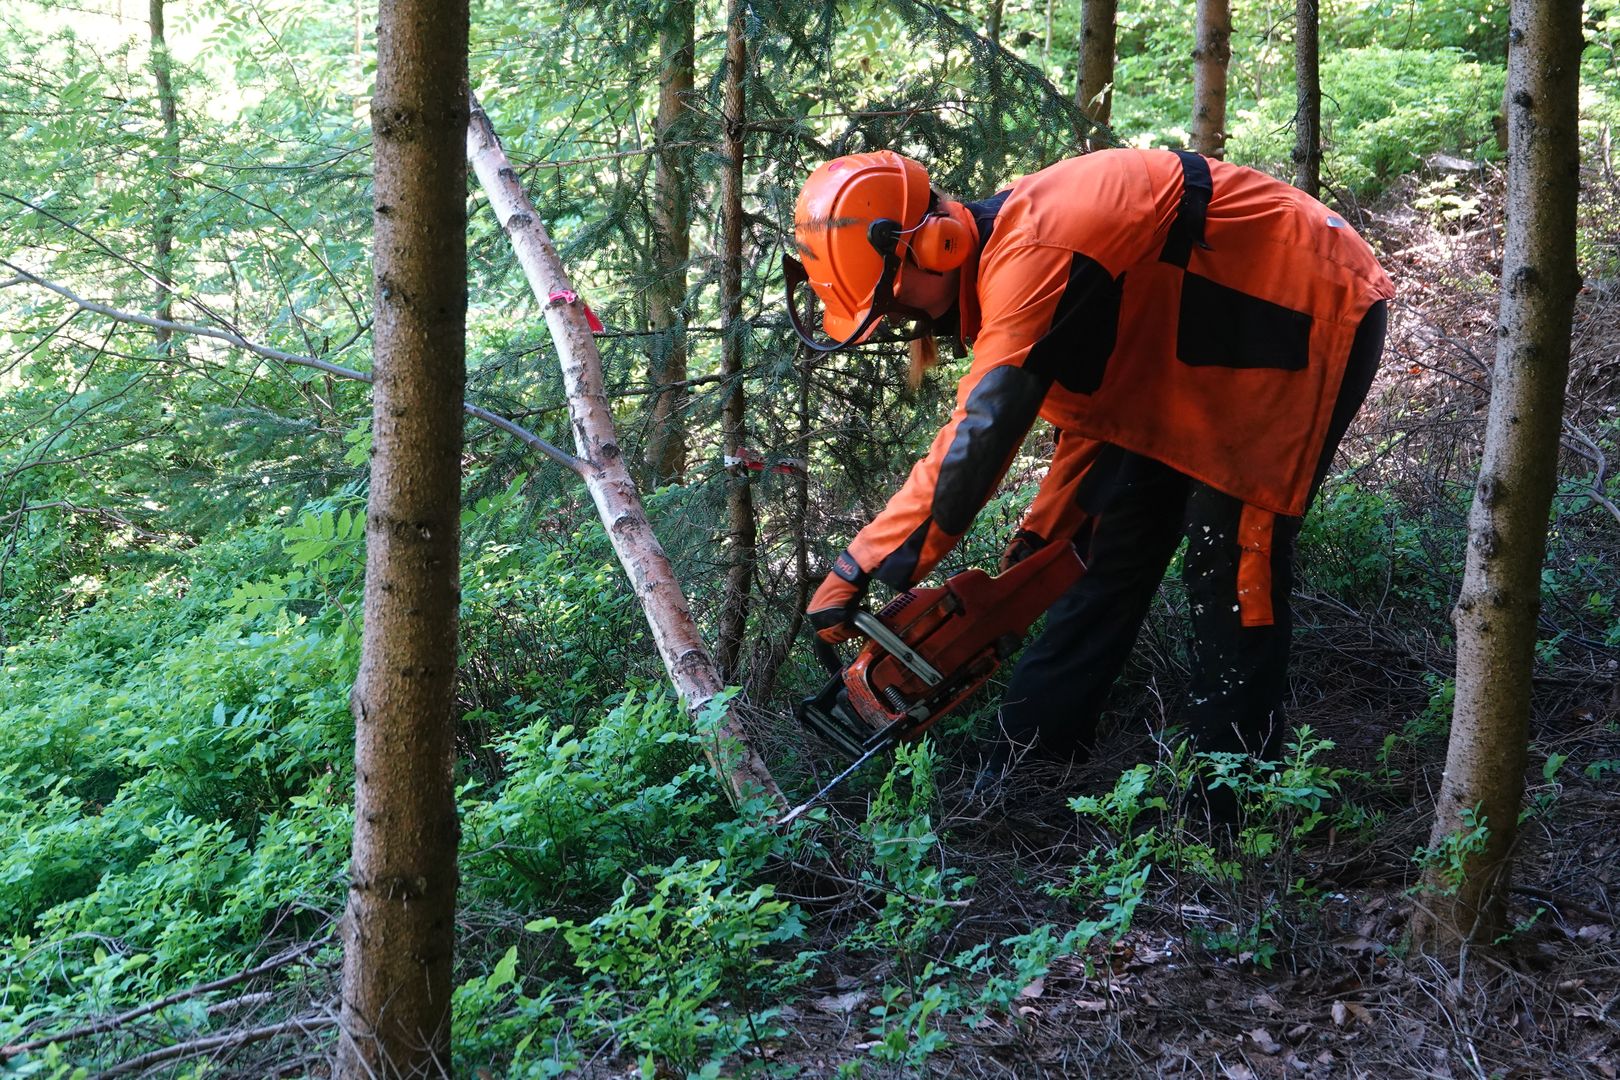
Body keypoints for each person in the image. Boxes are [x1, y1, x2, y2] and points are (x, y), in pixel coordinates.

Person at [784, 147, 1394, 786]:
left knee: (1235, 562)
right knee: (1100, 552)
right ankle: (1028, 766)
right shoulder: (1014, 263)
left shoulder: (1037, 250)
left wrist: (862, 565)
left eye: (896, 306)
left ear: (935, 245)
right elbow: (1093, 418)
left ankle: (1232, 802)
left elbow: (982, 433)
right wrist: (1031, 560)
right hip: (1183, 354)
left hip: (1304, 309)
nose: (906, 324)